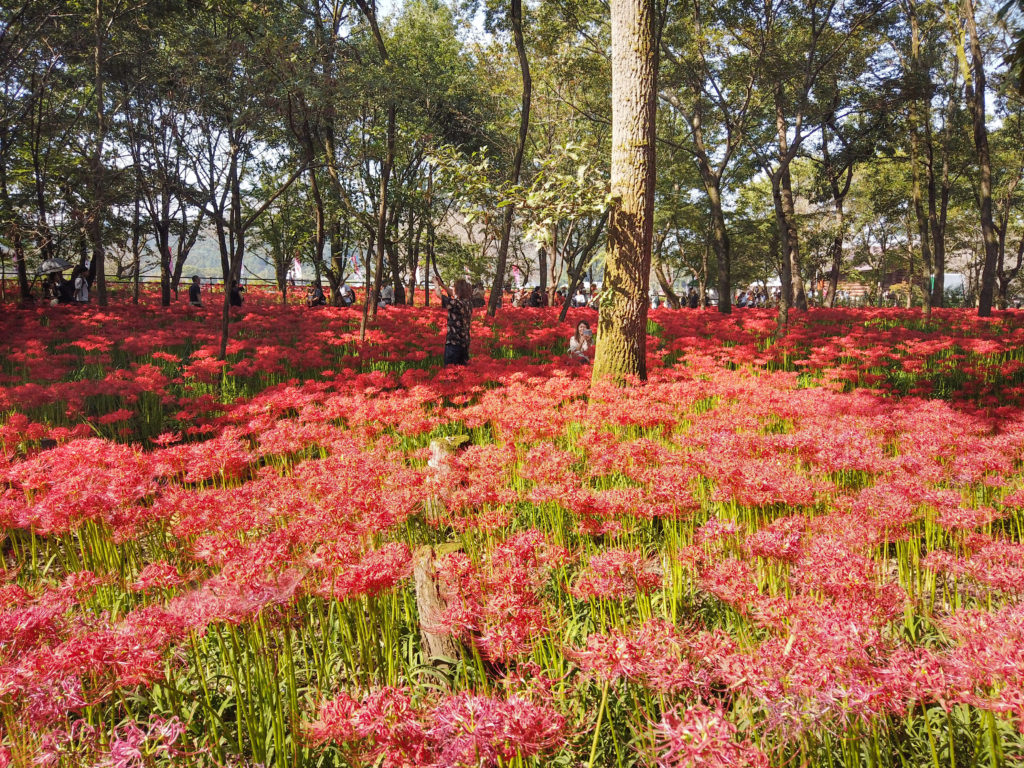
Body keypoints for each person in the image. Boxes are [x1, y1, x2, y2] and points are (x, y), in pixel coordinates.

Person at [436, 276, 473, 366]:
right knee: (462, 373)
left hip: (454, 343)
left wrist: (436, 284)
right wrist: (442, 284)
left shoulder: (456, 304)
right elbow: (453, 293)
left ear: (458, 291)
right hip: (464, 343)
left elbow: (439, 294)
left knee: (450, 373)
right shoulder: (468, 302)